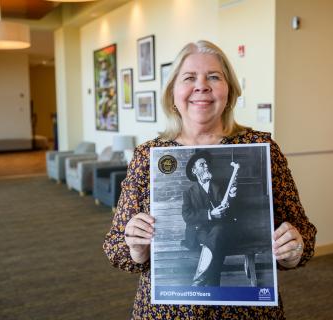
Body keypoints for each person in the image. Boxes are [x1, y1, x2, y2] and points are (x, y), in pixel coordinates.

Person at [103, 40, 317, 319]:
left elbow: (304, 236)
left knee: (221, 231)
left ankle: (201, 280)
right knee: (215, 232)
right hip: (167, 310)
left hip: (247, 311)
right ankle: (204, 280)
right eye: (189, 78)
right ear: (173, 94)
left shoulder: (262, 147)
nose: (201, 85)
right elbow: (116, 248)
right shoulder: (148, 156)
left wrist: (294, 249)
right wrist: (136, 248)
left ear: (228, 92)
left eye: (213, 77)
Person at [181, 150, 240, 287]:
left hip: (220, 228)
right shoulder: (188, 193)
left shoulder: (218, 187)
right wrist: (209, 214)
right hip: (199, 231)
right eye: (202, 165)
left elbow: (228, 208)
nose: (206, 166)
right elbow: (187, 216)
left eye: (206, 164)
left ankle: (199, 279)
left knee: (218, 231)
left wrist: (231, 197)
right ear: (194, 170)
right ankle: (213, 286)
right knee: (216, 245)